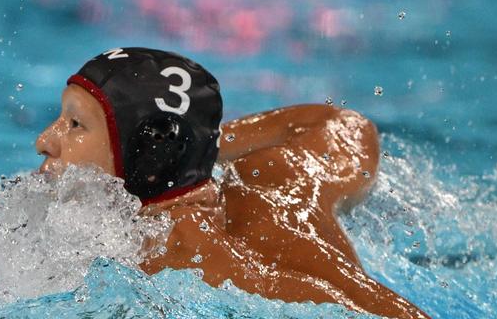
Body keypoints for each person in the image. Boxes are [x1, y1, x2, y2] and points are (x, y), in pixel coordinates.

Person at [35, 47, 428, 319]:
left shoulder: (187, 252)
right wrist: (199, 143)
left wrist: (189, 143)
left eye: (74, 125)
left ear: (148, 155)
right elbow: (340, 126)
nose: (45, 142)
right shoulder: (268, 176)